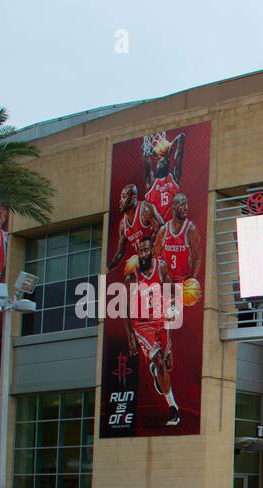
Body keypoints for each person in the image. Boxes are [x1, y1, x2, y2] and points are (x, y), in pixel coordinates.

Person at [124, 235, 182, 426]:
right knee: (159, 361)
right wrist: (130, 337)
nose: (143, 253)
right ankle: (173, 408)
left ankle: (157, 371)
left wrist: (175, 307)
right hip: (142, 325)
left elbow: (171, 294)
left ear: (152, 251)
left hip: (160, 320)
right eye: (140, 250)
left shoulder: (161, 267)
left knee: (166, 365)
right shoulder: (132, 276)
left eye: (146, 250)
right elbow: (124, 307)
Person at [107, 183, 163, 271]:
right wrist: (108, 269)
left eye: (124, 197)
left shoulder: (145, 210)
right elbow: (120, 253)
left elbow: (163, 229)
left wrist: (155, 250)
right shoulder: (123, 225)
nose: (120, 201)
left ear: (133, 199)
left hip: (158, 260)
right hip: (144, 263)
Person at [143, 130, 185, 224]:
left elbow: (181, 137)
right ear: (156, 166)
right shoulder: (151, 182)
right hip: (157, 228)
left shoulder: (173, 177)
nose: (164, 161)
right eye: (161, 161)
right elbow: (146, 161)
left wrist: (170, 146)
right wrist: (147, 150)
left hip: (173, 226)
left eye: (166, 160)